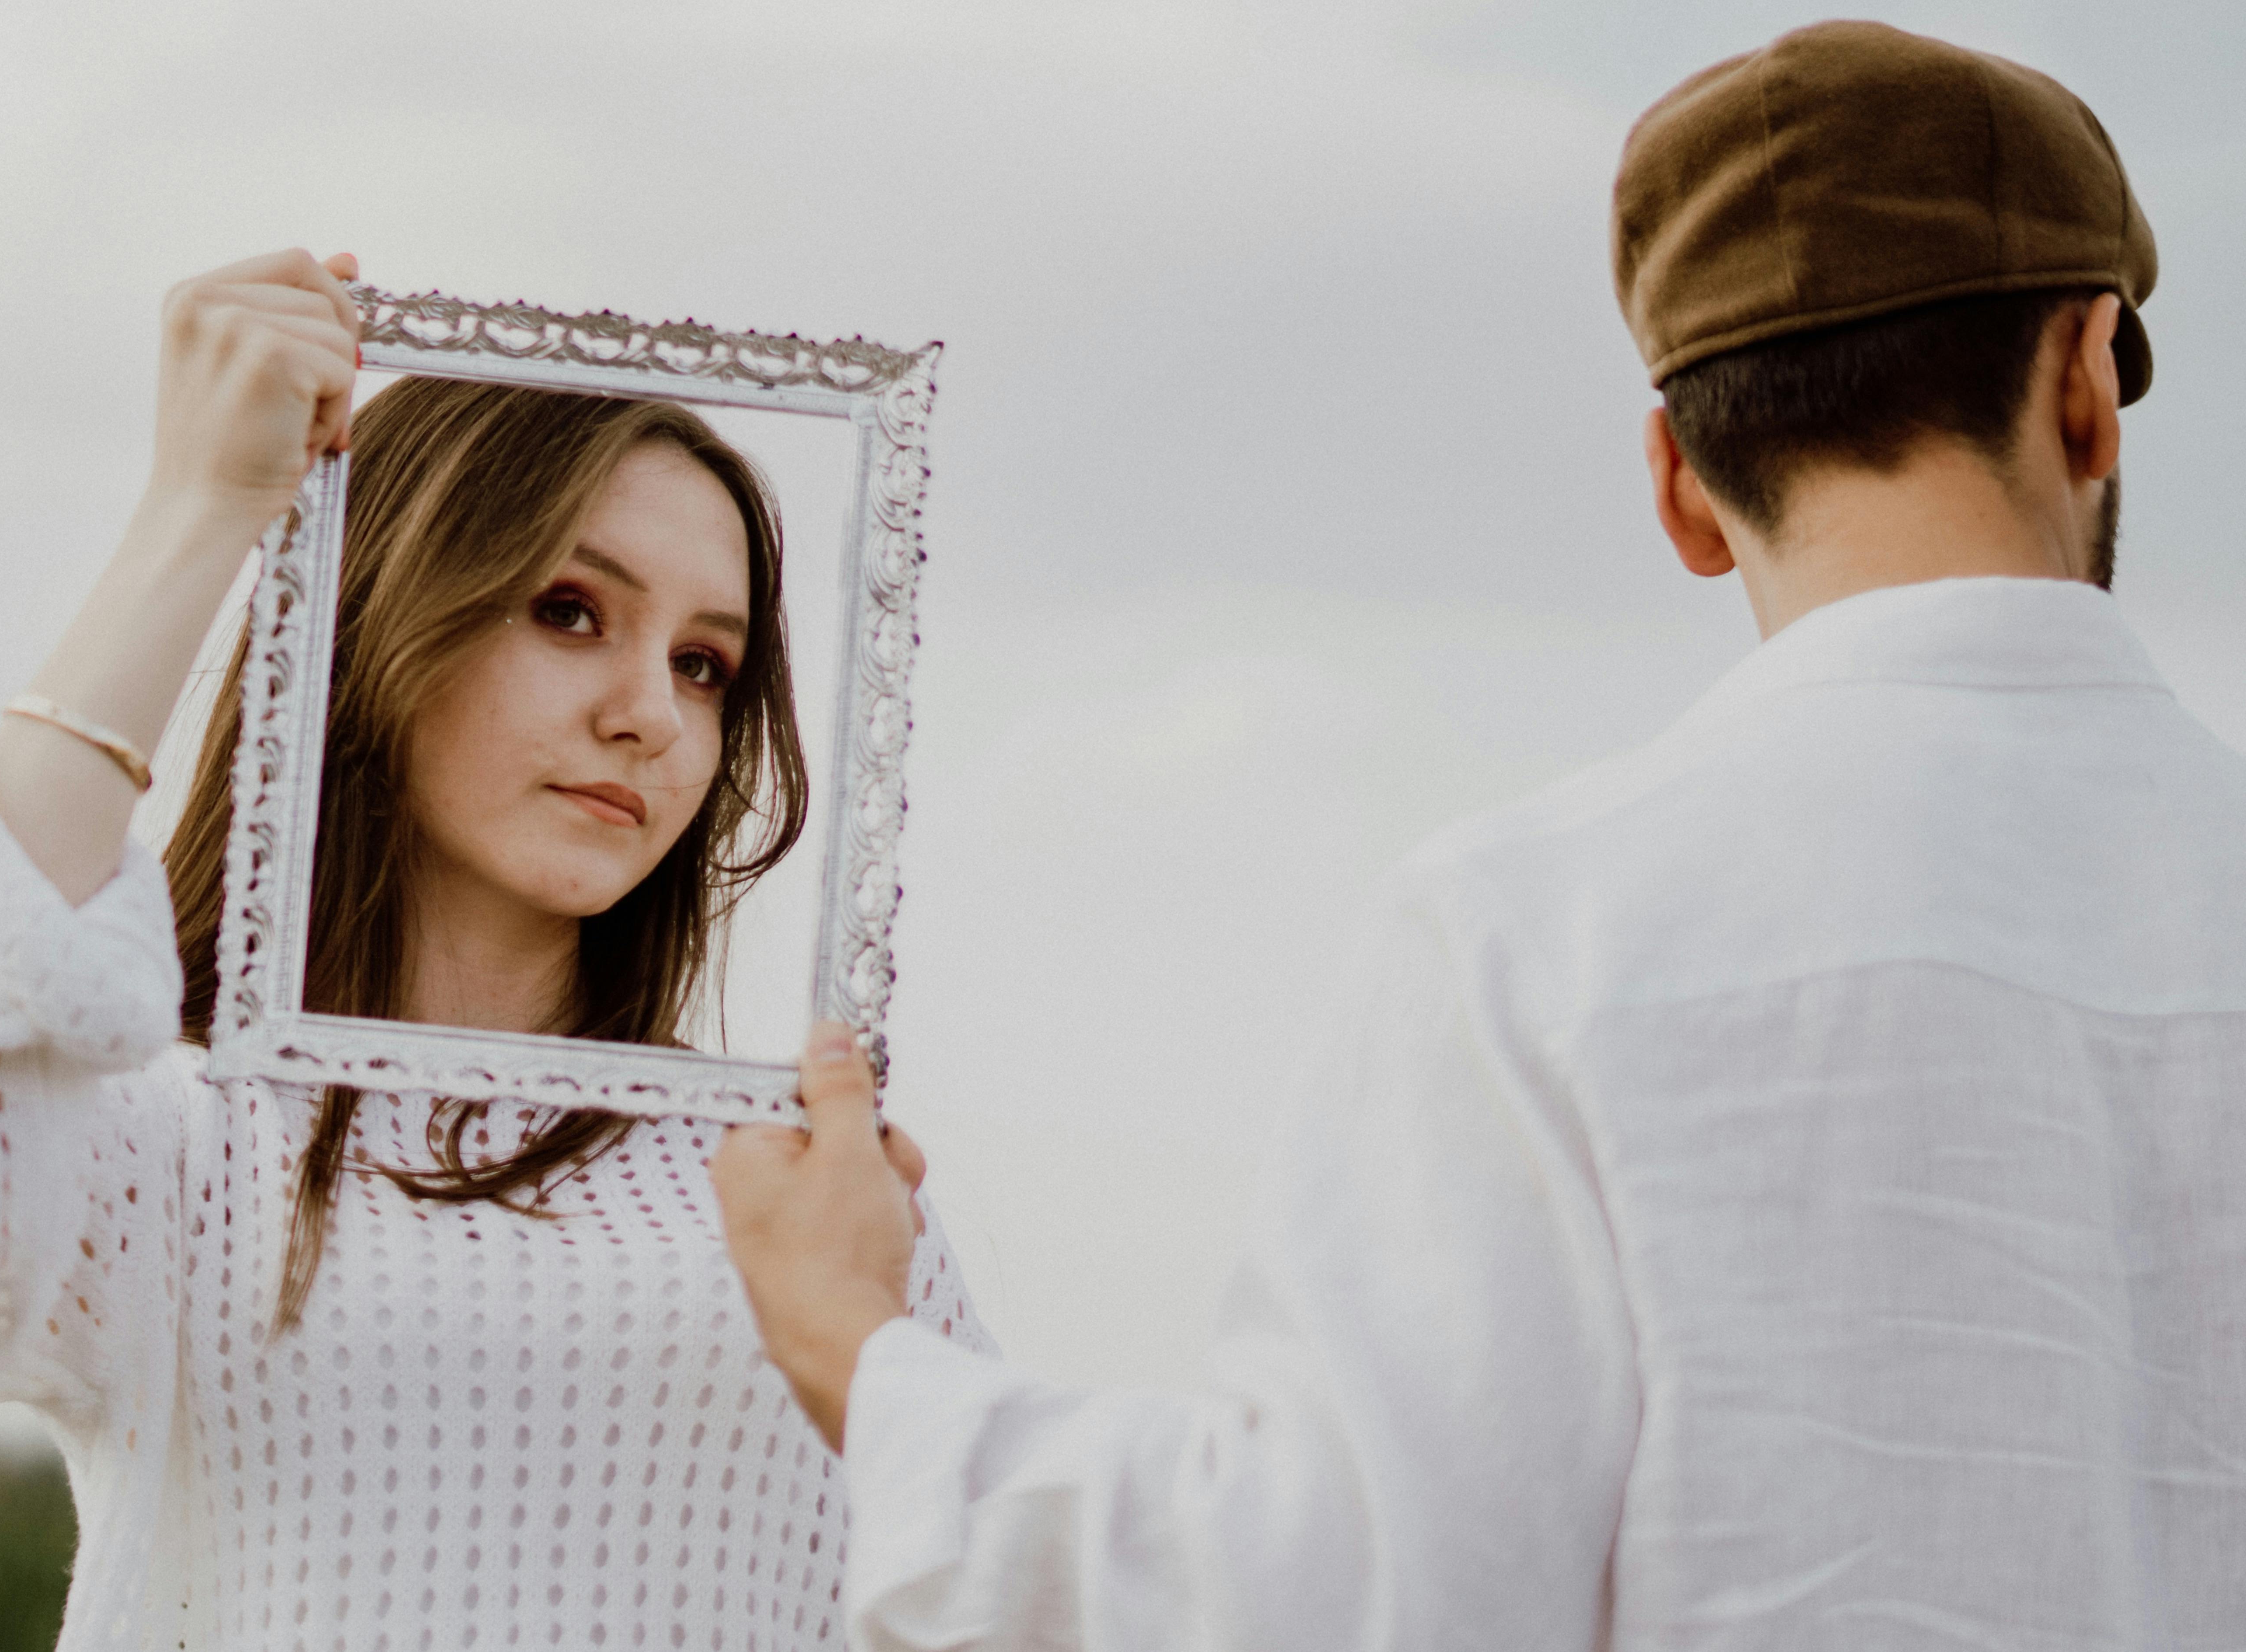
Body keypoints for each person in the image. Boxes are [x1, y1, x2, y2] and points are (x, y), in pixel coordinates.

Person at [713, 22, 2246, 1647]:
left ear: (1676, 487)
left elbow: (1315, 1596)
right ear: (2089, 385)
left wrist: (855, 1341)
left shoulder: (1545, 935)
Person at [0, 248, 989, 1651]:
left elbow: (1008, 1596)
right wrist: (199, 509)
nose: (651, 713)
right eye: (571, 611)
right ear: (385, 613)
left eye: (704, 664)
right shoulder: (172, 1148)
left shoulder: (806, 1193)